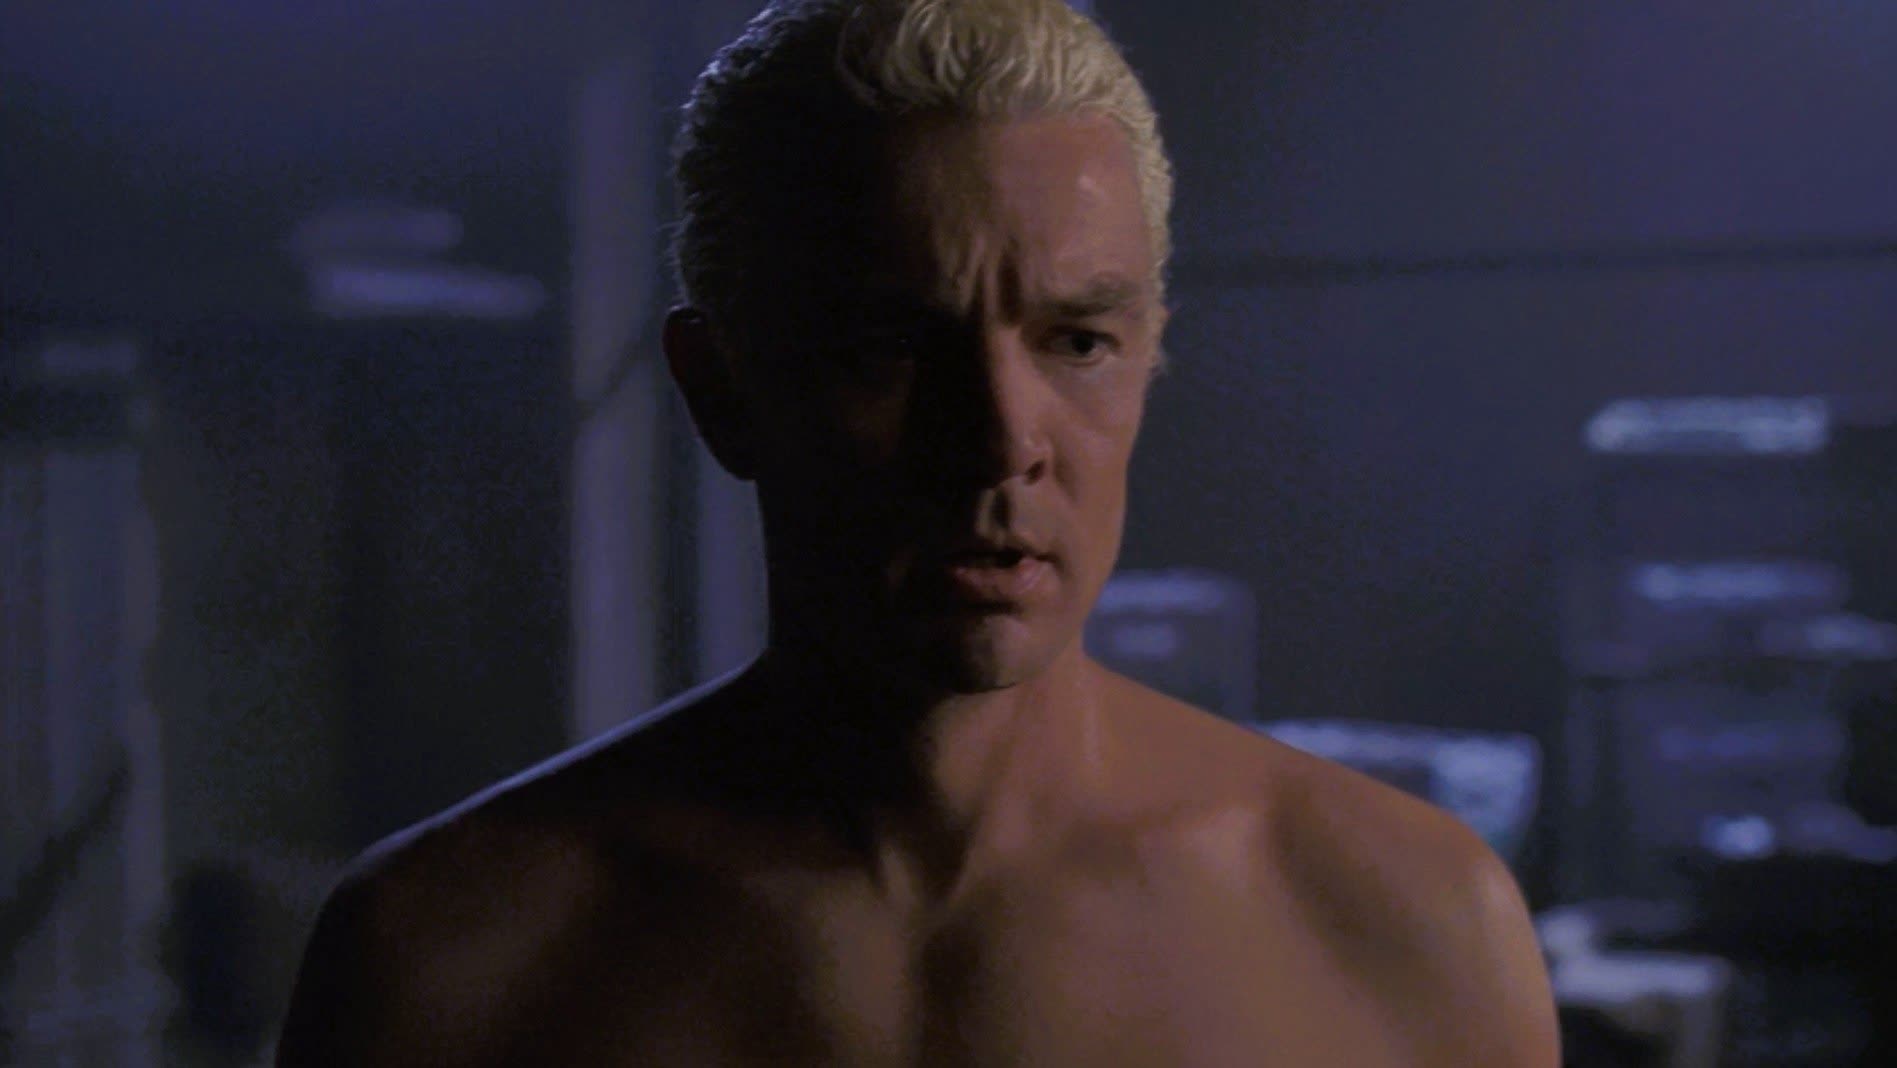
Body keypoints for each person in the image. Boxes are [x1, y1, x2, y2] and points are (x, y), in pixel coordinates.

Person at [276, 1, 1559, 1064]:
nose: (1000, 442)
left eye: (1076, 341)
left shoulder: (1404, 925)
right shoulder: (451, 961)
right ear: (721, 391)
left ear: (1147, 358)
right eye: (891, 346)